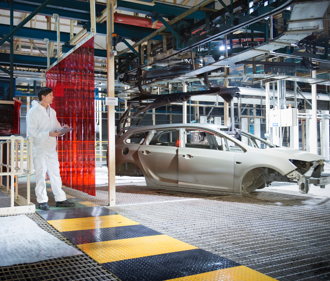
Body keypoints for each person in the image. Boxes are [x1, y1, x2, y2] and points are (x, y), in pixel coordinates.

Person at [26, 87, 75, 210]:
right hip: (40, 147)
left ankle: (60, 199)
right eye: (51, 95)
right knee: (40, 173)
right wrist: (48, 134)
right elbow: (32, 131)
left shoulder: (52, 111)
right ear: (43, 96)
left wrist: (62, 129)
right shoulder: (33, 112)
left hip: (51, 147)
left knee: (55, 173)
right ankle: (42, 201)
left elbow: (56, 127)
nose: (53, 97)